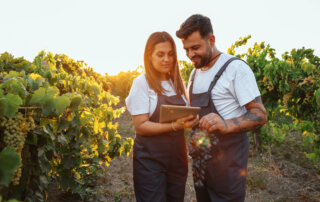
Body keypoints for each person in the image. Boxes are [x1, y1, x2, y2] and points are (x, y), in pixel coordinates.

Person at [176, 14, 268, 202]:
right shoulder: (194, 73)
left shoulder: (235, 69)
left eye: (195, 48)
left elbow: (259, 115)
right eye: (186, 50)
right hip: (201, 165)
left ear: (211, 40)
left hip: (228, 165)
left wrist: (225, 124)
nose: (190, 54)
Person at [125, 31, 198, 202]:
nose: (166, 59)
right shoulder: (142, 83)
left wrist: (191, 121)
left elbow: (186, 114)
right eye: (160, 54)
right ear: (149, 56)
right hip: (150, 160)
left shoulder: (177, 83)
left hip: (177, 159)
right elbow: (141, 126)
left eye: (170, 54)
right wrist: (174, 126)